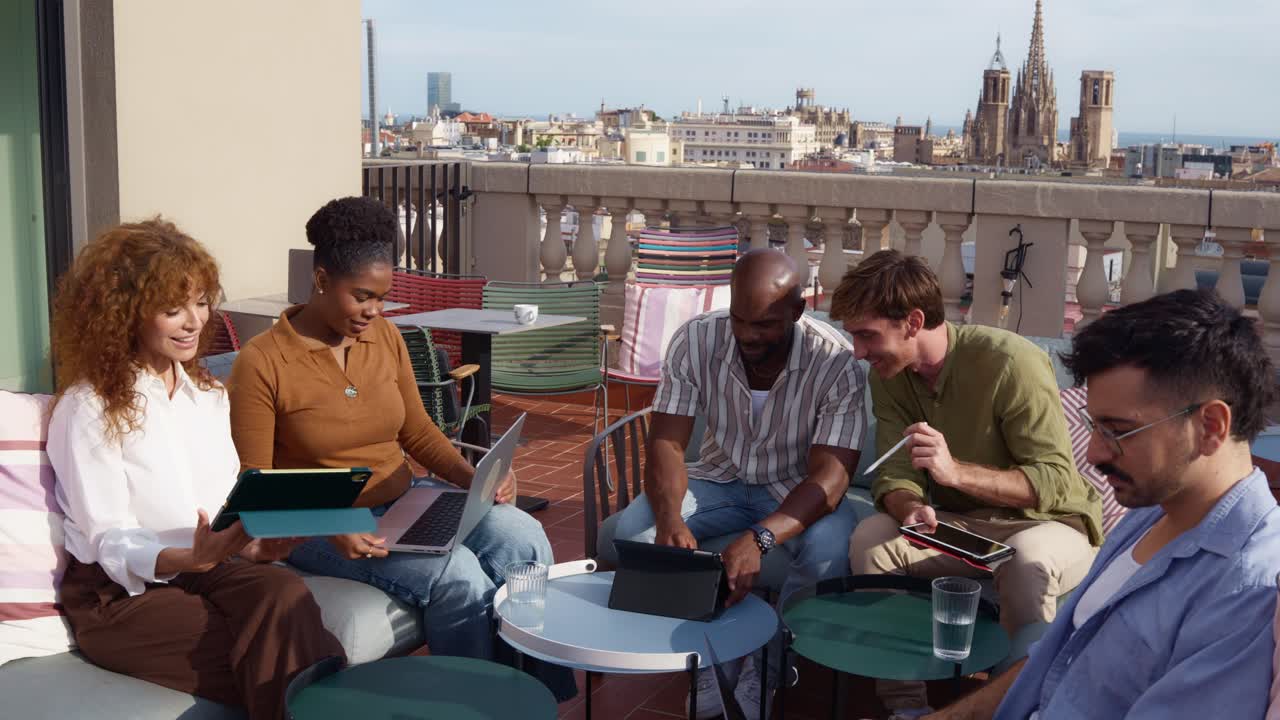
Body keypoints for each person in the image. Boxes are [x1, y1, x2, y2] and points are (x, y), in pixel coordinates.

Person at [227, 196, 572, 699]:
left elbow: (417, 431)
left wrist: (476, 479)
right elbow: (255, 486)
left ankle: (532, 695)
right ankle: (471, 707)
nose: (375, 311)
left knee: (524, 538)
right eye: (362, 296)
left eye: (383, 298)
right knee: (461, 578)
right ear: (321, 280)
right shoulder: (262, 362)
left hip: (407, 502)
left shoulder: (385, 337)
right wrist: (331, 523)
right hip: (329, 528)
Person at [924, 288, 1280, 720]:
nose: (1092, 454)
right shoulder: (1149, 513)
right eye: (1094, 427)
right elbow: (1053, 661)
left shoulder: (1245, 591)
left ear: (1210, 426)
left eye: (1118, 430)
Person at [47, 219, 343, 720]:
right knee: (294, 652)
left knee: (284, 593)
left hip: (208, 570)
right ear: (126, 315)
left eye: (202, 302)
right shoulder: (88, 407)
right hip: (118, 594)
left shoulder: (206, 396)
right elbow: (107, 539)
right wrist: (187, 559)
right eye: (172, 309)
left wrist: (256, 544)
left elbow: (226, 507)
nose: (194, 321)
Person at [830, 250, 1102, 719]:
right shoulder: (890, 375)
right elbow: (895, 475)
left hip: (1047, 523)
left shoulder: (1009, 362)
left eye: (867, 335)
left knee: (1028, 560)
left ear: (913, 322)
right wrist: (909, 507)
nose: (858, 351)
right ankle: (906, 708)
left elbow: (1055, 481)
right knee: (871, 540)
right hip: (962, 527)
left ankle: (1011, 707)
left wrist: (955, 472)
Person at [613, 249, 867, 718]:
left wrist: (761, 537)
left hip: (795, 491)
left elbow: (831, 478)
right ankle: (708, 653)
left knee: (831, 550)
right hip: (719, 479)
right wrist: (669, 518)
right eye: (740, 320)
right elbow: (667, 441)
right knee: (634, 534)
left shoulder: (835, 361)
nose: (749, 335)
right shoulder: (696, 339)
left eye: (765, 325)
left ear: (798, 310)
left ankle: (770, 661)